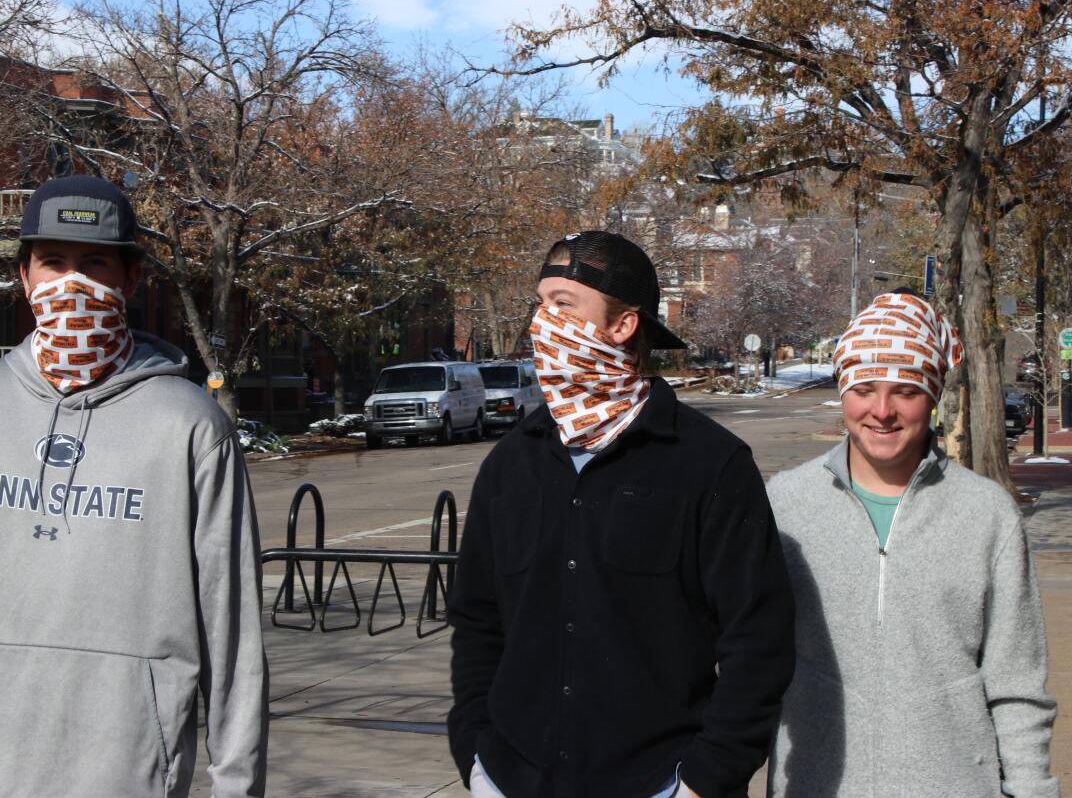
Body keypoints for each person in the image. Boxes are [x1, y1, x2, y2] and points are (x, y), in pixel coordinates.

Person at [0, 175, 269, 797]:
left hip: (127, 770)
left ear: (130, 280)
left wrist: (236, 785)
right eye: (52, 263)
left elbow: (233, 632)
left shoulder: (188, 425)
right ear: (24, 275)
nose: (71, 285)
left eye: (94, 265)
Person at [447, 231, 796, 798]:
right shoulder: (511, 464)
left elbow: (759, 642)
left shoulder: (712, 464)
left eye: (564, 306)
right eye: (540, 305)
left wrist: (704, 781)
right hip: (514, 780)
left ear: (622, 326)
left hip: (658, 785)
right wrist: (477, 757)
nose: (542, 324)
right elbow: (478, 624)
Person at [766, 289, 1058, 797]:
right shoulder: (784, 504)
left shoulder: (986, 514)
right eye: (864, 388)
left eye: (905, 391)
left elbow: (1017, 687)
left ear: (933, 396)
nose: (882, 411)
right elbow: (743, 666)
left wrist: (1032, 790)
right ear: (843, 391)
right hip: (814, 785)